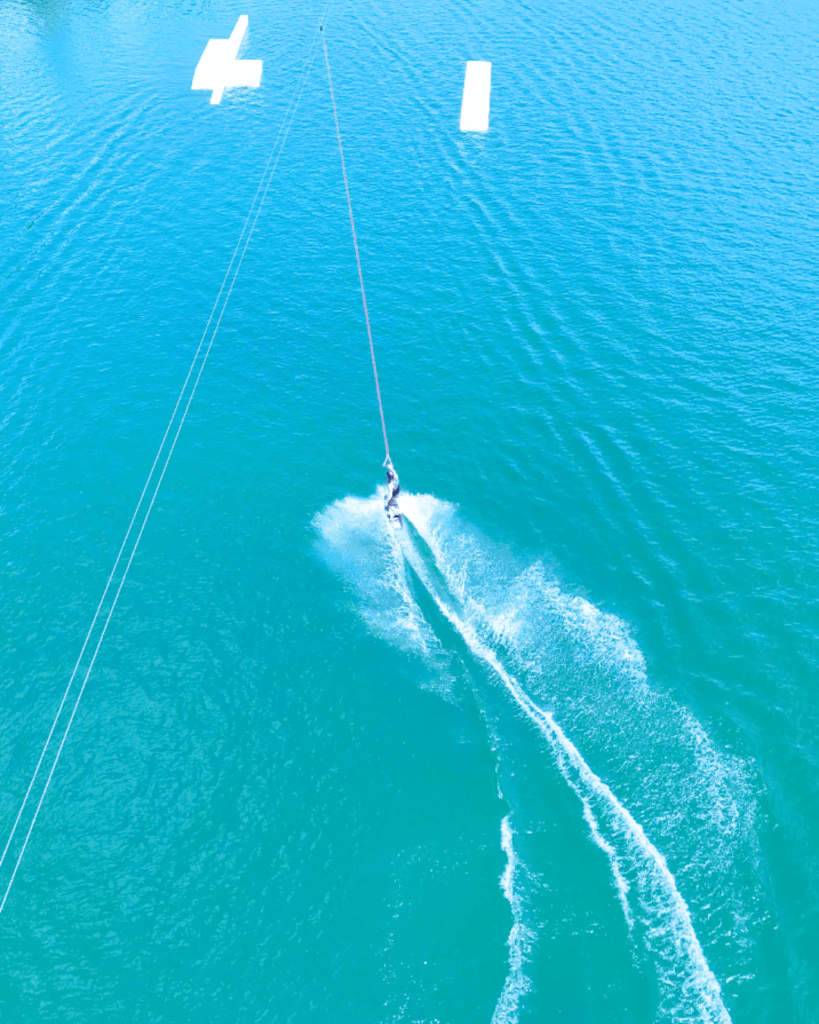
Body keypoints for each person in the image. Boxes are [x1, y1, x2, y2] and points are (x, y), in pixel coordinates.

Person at [384, 457, 402, 524]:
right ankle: (394, 505)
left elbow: (391, 494)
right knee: (393, 498)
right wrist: (388, 465)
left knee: (389, 501)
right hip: (397, 489)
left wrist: (387, 502)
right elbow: (392, 469)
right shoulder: (396, 476)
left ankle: (394, 513)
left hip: (394, 491)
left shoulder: (390, 484)